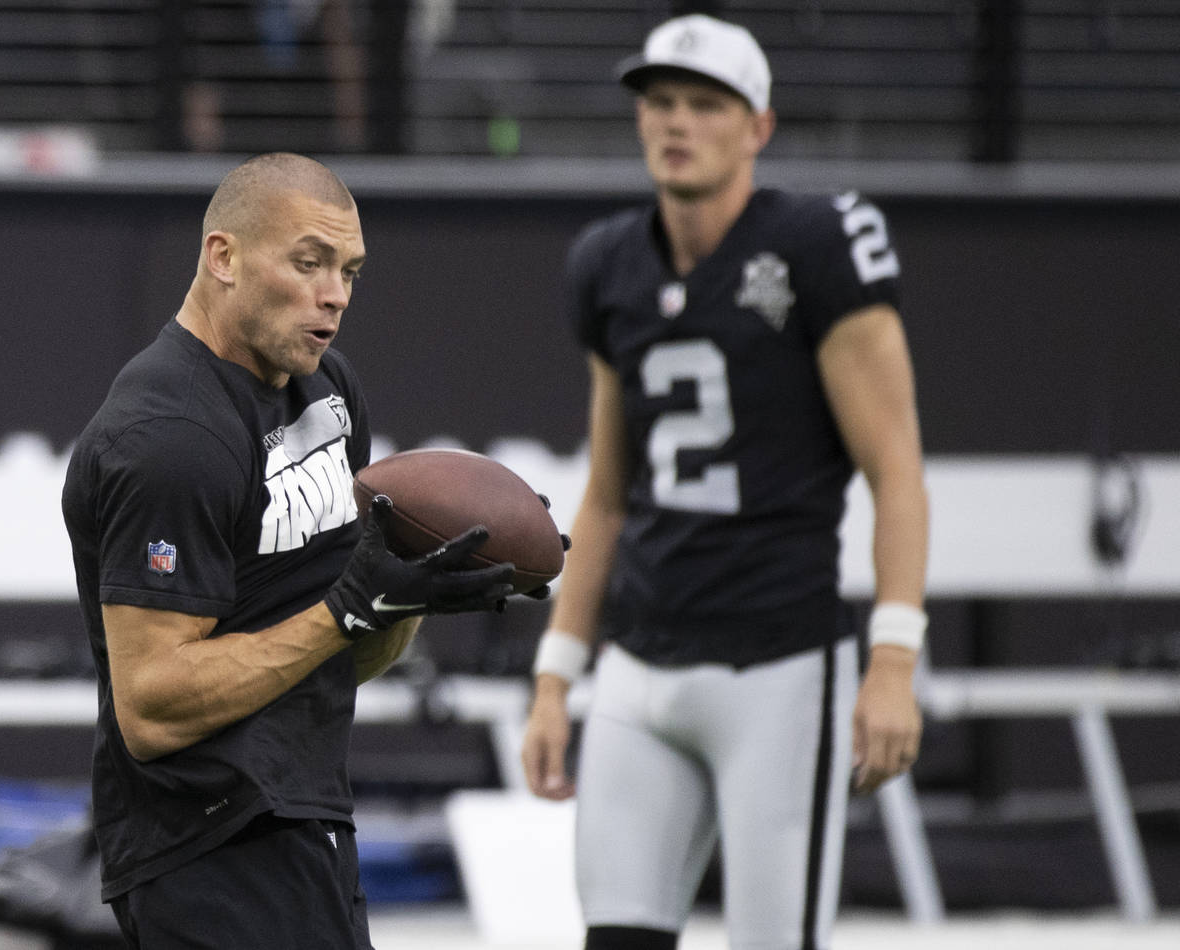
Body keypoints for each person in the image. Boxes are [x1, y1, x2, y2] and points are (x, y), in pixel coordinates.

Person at [520, 14, 929, 950]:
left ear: (758, 127)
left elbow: (896, 469)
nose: (677, 122)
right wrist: (555, 676)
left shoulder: (819, 243)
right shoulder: (608, 263)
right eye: (660, 102)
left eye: (707, 104)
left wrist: (895, 660)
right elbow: (610, 493)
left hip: (779, 667)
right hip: (642, 662)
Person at [61, 152, 538, 949]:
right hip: (204, 845)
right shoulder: (165, 438)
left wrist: (410, 590)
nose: (335, 295)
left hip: (308, 811)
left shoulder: (326, 390)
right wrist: (346, 612)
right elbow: (149, 705)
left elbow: (342, 648)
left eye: (349, 270)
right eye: (308, 262)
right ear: (224, 257)